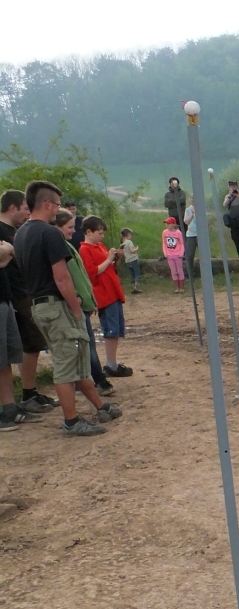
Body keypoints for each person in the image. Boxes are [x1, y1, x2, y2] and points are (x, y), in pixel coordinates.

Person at [12, 180, 121, 436]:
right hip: (56, 306)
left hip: (38, 305)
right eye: (58, 204)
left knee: (74, 357)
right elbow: (61, 277)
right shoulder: (50, 234)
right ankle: (71, 421)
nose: (60, 209)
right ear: (47, 204)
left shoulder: (22, 233)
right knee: (65, 365)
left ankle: (100, 406)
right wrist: (75, 307)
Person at [0, 189, 59, 414]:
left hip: (21, 292)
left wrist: (10, 253)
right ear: (12, 207)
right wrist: (9, 252)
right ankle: (27, 393)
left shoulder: (16, 231)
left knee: (32, 344)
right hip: (14, 293)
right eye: (25, 208)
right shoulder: (2, 229)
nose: (28, 212)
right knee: (31, 343)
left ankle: (30, 391)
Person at [53, 210, 115, 397]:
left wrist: (89, 300)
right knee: (86, 345)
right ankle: (99, 381)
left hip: (81, 303)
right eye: (70, 227)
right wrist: (78, 300)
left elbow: (81, 278)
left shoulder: (67, 246)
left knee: (84, 345)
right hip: (74, 305)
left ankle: (84, 381)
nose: (74, 231)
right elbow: (72, 278)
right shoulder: (62, 249)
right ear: (57, 227)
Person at [79, 216, 132, 379]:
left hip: (113, 292)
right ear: (89, 232)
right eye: (100, 233)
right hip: (103, 294)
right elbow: (91, 273)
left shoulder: (99, 246)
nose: (102, 236)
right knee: (110, 329)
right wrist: (109, 259)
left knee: (116, 329)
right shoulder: (85, 250)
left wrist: (116, 259)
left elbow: (110, 269)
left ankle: (112, 362)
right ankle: (110, 364)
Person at [0, 238, 42, 431]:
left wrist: (6, 255)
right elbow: (6, 252)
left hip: (5, 298)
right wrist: (8, 252)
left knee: (6, 358)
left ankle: (10, 409)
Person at [162, 216, 185, 293]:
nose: (167, 225)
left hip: (177, 255)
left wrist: (181, 253)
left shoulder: (178, 233)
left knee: (179, 271)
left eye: (169, 223)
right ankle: (176, 287)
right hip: (169, 255)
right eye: (166, 224)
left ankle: (182, 287)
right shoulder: (164, 232)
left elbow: (181, 243)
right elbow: (164, 243)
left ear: (173, 224)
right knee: (173, 271)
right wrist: (165, 252)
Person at [120, 227, 140, 293]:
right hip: (133, 260)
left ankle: (132, 287)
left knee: (132, 275)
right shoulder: (129, 242)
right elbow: (132, 251)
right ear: (128, 234)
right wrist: (136, 249)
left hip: (127, 261)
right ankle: (136, 287)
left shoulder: (122, 244)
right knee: (137, 273)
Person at [183, 203, 198, 277]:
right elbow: (186, 222)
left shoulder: (201, 208)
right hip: (190, 235)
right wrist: (191, 214)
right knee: (189, 255)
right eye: (192, 198)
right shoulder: (188, 210)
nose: (193, 200)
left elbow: (198, 221)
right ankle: (190, 274)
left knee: (203, 254)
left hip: (200, 235)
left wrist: (195, 213)